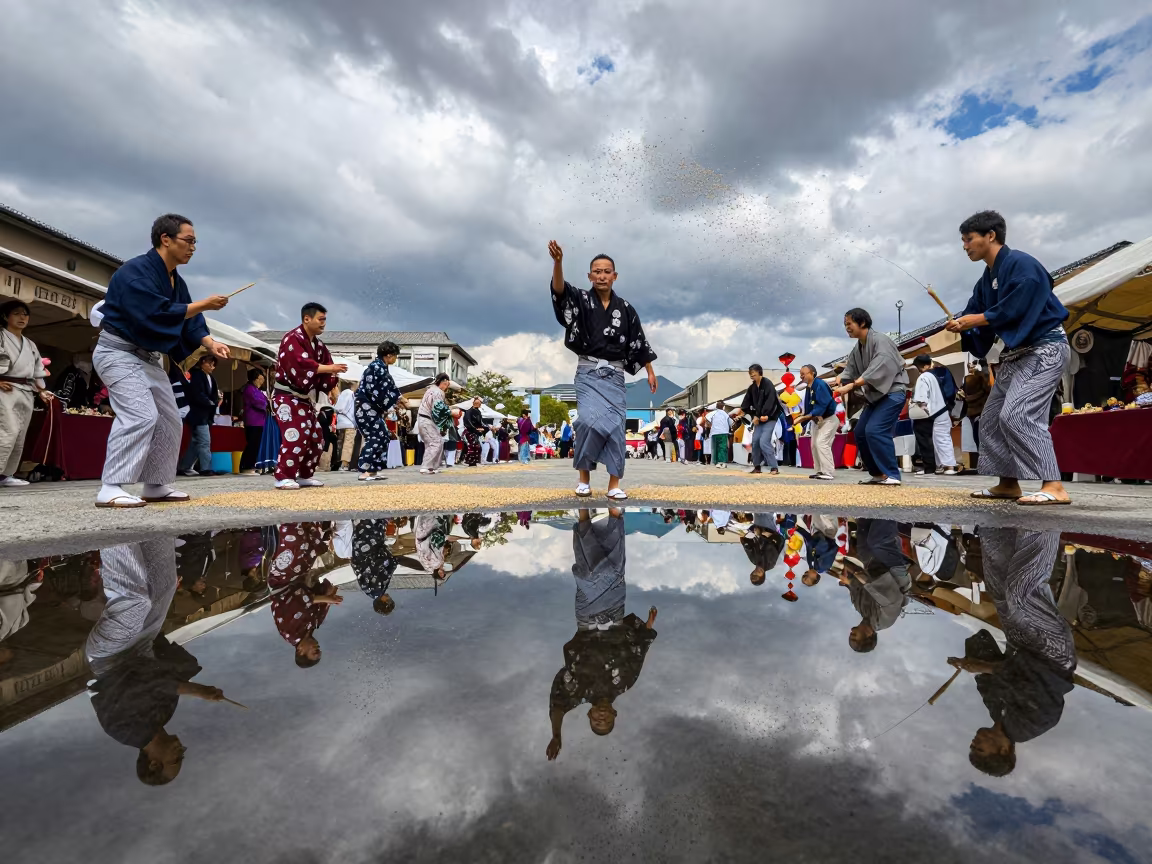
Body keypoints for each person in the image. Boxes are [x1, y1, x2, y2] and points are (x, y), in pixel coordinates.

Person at [90, 214, 231, 508]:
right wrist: (204, 304)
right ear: (165, 239)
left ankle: (155, 484)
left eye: (195, 242)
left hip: (148, 359)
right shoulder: (135, 273)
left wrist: (210, 342)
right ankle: (110, 486)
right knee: (140, 415)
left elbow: (189, 320)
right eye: (188, 241)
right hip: (117, 352)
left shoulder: (175, 280)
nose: (193, 247)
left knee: (169, 419)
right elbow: (156, 313)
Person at [946, 211, 1072, 505]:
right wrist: (962, 322)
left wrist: (976, 319)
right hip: (1016, 355)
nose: (965, 246)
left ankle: (1054, 485)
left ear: (990, 235)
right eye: (963, 240)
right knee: (990, 420)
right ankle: (1007, 482)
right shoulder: (985, 280)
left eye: (969, 239)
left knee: (1017, 414)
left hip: (1045, 347)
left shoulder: (1022, 264)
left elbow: (1020, 304)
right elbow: (975, 315)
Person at [86, 538, 233, 785]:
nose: (181, 753)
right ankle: (154, 522)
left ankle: (113, 525)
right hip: (142, 646)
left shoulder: (123, 731)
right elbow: (161, 671)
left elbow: (141, 684)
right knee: (165, 587)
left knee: (135, 602)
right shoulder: (165, 714)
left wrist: (197, 690)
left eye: (175, 761)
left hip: (110, 654)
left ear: (154, 763)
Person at [947, 527, 1075, 776]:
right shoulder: (1033, 724)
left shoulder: (997, 711)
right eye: (980, 749)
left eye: (971, 747)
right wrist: (985, 667)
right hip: (1052, 652)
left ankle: (996, 520)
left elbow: (986, 680)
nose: (974, 743)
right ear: (1004, 750)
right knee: (1022, 593)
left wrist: (968, 663)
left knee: (998, 586)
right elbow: (1032, 681)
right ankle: (1042, 520)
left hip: (1019, 644)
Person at [549, 242, 658, 500]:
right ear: (589, 276)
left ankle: (613, 484)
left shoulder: (627, 309)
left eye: (606, 271)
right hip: (588, 372)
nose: (601, 275)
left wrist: (649, 370)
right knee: (587, 421)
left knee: (616, 427)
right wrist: (558, 263)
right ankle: (584, 478)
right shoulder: (582, 300)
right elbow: (560, 292)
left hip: (616, 375)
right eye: (596, 271)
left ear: (615, 276)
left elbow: (638, 341)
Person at [546, 508, 658, 761]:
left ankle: (584, 514)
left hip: (586, 617)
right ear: (614, 715)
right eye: (605, 720)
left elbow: (558, 707)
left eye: (597, 720)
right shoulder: (626, 682)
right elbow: (639, 652)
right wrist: (648, 625)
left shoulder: (579, 693)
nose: (601, 717)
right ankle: (613, 512)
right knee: (616, 568)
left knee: (587, 573)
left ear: (590, 715)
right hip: (615, 611)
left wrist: (556, 735)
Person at [272, 303, 346, 490]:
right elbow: (300, 364)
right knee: (295, 434)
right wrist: (330, 369)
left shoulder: (319, 345)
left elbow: (326, 366)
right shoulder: (292, 339)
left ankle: (305, 474)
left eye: (325, 320)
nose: (324, 324)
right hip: (286, 397)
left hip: (304, 398)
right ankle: (283, 476)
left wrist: (331, 382)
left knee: (316, 437)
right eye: (321, 320)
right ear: (307, 319)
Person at [834, 308, 909, 486]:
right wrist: (841, 379)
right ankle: (877, 474)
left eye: (849, 324)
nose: (847, 328)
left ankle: (892, 474)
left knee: (875, 430)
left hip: (893, 393)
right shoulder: (858, 346)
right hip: (876, 397)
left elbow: (881, 365)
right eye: (845, 325)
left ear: (862, 323)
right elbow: (850, 368)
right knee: (860, 432)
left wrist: (853, 384)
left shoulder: (881, 340)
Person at [267, 522, 342, 667]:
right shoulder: (314, 624)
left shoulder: (288, 631)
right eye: (319, 650)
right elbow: (325, 600)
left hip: (281, 580)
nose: (317, 648)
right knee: (317, 545)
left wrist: (327, 598)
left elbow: (297, 600)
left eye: (314, 651)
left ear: (300, 651)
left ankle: (290, 516)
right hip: (300, 576)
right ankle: (308, 518)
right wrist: (331, 592)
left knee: (295, 542)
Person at [0, 300, 54, 487]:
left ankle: (6, 474)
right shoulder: (0, 336)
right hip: (4, 388)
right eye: (16, 313)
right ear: (6, 317)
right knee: (8, 431)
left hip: (25, 390)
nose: (22, 317)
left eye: (25, 314)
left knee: (20, 434)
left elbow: (38, 370)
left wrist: (42, 390)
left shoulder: (30, 344)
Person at [843, 518, 911, 652]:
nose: (851, 632)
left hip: (872, 566)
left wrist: (849, 581)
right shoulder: (885, 621)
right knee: (878, 542)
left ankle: (873, 505)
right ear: (869, 635)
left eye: (850, 636)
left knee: (863, 530)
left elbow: (855, 587)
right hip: (893, 571)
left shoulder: (860, 609)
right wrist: (863, 580)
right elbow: (892, 600)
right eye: (855, 637)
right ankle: (892, 506)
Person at [355, 340, 403, 481]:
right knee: (375, 436)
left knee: (383, 435)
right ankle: (365, 470)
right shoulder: (376, 368)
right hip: (366, 408)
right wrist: (396, 399)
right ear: (388, 355)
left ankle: (374, 469)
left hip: (373, 409)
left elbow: (388, 389)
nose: (395, 359)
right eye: (395, 356)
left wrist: (394, 399)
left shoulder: (381, 368)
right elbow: (381, 391)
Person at [732, 364, 782, 476]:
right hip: (758, 419)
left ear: (760, 372)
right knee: (755, 441)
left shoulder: (768, 384)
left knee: (764, 441)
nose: (752, 375)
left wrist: (764, 415)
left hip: (770, 418)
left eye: (753, 373)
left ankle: (774, 467)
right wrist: (748, 413)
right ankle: (757, 466)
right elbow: (746, 404)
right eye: (750, 373)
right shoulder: (752, 388)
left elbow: (771, 401)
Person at [176, 354, 219, 477]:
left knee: (196, 442)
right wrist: (209, 402)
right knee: (204, 442)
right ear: (203, 362)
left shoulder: (210, 377)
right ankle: (205, 468)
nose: (212, 366)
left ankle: (184, 466)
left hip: (207, 414)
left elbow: (213, 395)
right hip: (197, 413)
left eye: (213, 365)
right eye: (210, 364)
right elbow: (196, 394)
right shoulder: (196, 375)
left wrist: (213, 403)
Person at [795, 364, 838, 480]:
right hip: (817, 421)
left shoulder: (820, 384)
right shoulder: (809, 388)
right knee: (814, 445)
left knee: (822, 443)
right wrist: (803, 422)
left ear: (812, 373)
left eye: (803, 374)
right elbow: (809, 408)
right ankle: (819, 470)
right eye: (800, 374)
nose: (801, 376)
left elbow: (823, 404)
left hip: (828, 419)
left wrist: (804, 418)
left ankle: (828, 472)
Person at [351, 519, 398, 616]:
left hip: (369, 547)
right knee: (365, 523)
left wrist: (392, 560)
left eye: (389, 601)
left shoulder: (377, 590)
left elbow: (377, 567)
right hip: (363, 550)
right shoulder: (372, 592)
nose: (390, 598)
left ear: (384, 601)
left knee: (370, 520)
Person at [417, 373, 453, 475]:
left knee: (435, 442)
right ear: (443, 382)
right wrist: (450, 412)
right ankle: (426, 466)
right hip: (426, 419)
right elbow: (438, 408)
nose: (447, 387)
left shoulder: (430, 390)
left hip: (426, 419)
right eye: (446, 384)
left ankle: (433, 466)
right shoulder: (437, 392)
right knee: (435, 442)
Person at [741, 516, 785, 585]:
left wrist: (744, 540)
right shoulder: (770, 564)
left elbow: (748, 547)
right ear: (763, 575)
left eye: (753, 574)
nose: (756, 572)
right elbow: (772, 545)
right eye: (757, 575)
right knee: (766, 514)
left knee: (756, 513)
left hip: (759, 531)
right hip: (771, 533)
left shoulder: (754, 560)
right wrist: (761, 535)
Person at [238, 367, 268, 473]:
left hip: (259, 421)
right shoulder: (249, 389)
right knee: (252, 444)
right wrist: (267, 404)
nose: (262, 381)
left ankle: (250, 464)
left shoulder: (257, 390)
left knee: (255, 444)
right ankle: (246, 466)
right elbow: (257, 402)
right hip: (253, 421)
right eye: (260, 378)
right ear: (255, 379)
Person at [961, 359, 990, 457]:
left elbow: (965, 392)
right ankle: (984, 454)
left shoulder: (966, 378)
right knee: (983, 432)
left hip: (971, 410)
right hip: (981, 408)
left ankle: (980, 452)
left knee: (976, 432)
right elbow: (987, 389)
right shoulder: (980, 377)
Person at [331, 380, 357, 471]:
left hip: (341, 422)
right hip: (349, 422)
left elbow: (337, 407)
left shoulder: (341, 394)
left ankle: (339, 463)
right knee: (348, 443)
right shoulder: (351, 394)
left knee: (340, 443)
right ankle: (344, 464)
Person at [706, 400, 732, 467]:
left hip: (715, 432)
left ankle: (716, 462)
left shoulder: (712, 413)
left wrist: (710, 426)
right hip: (723, 432)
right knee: (723, 447)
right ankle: (722, 462)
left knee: (715, 447)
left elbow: (707, 420)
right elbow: (731, 423)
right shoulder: (726, 414)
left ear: (716, 406)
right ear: (723, 406)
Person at [462, 396, 486, 466]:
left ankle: (474, 462)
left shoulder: (478, 412)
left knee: (477, 447)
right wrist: (475, 429)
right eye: (478, 403)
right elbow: (468, 421)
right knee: (474, 446)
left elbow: (480, 422)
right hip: (470, 430)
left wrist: (482, 428)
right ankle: (467, 461)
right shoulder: (469, 411)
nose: (480, 404)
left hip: (476, 431)